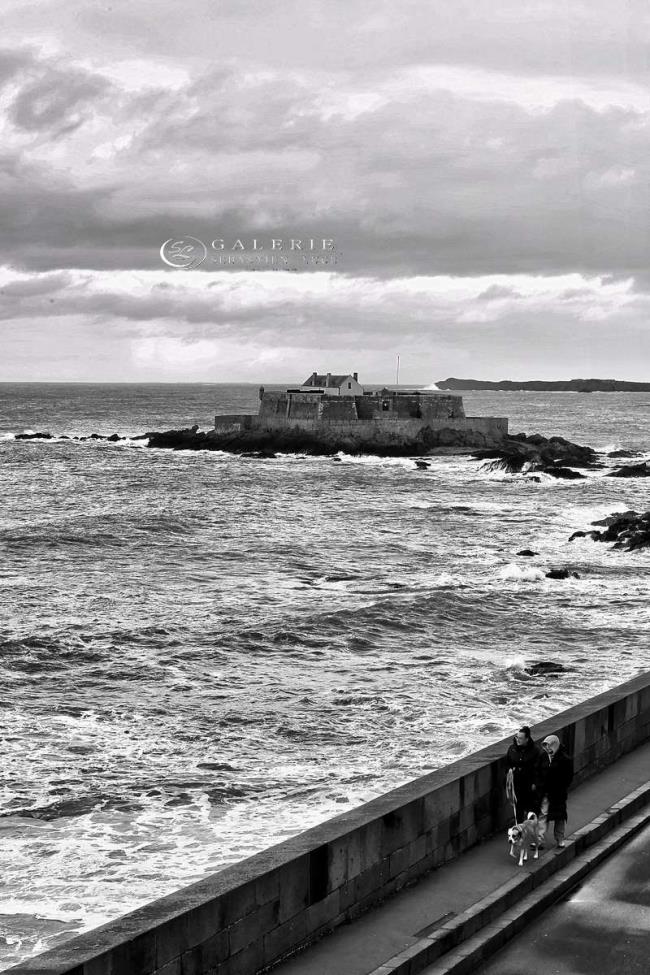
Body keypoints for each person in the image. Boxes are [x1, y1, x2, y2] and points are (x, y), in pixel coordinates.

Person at [535, 734, 574, 847]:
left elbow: (568, 777)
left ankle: (560, 839)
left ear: (555, 745)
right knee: (543, 814)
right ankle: (539, 840)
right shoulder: (543, 757)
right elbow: (537, 771)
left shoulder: (565, 759)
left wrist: (562, 787)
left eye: (549, 746)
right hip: (545, 791)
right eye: (545, 746)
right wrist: (539, 785)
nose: (547, 748)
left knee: (560, 817)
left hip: (558, 793)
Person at [505, 726, 540, 822]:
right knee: (518, 810)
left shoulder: (535, 751)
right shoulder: (512, 749)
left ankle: (531, 832)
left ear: (527, 739)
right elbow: (507, 764)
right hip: (517, 785)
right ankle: (520, 833)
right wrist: (509, 771)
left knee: (531, 811)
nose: (518, 740)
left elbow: (538, 769)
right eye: (517, 737)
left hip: (529, 786)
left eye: (520, 738)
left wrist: (534, 783)